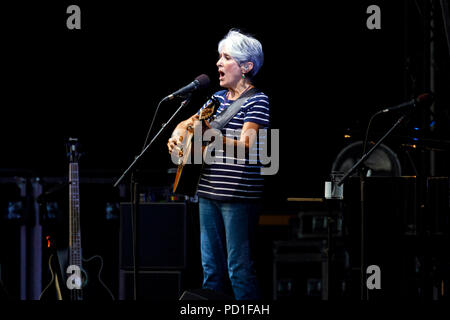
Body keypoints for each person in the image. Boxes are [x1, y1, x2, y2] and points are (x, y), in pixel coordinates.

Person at [167, 29, 269, 300]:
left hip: (237, 196)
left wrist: (207, 136)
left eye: (226, 58)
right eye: (219, 57)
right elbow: (184, 124)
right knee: (211, 270)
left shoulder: (258, 101)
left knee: (239, 269)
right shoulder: (216, 100)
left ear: (246, 66)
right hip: (207, 192)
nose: (218, 64)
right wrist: (177, 136)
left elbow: (248, 145)